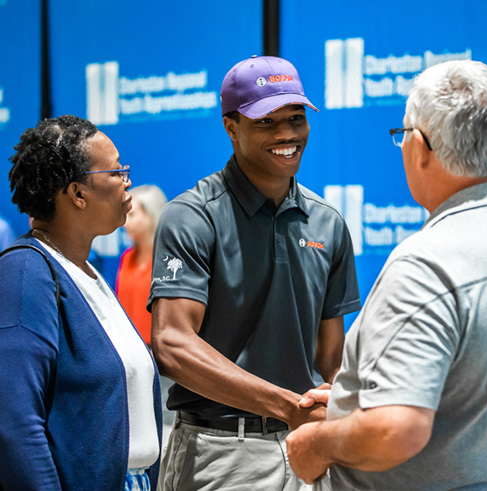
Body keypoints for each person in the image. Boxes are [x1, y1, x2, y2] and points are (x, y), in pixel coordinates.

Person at [286, 60, 487, 490]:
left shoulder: (426, 265)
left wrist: (320, 442)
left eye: (404, 136)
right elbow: (480, 400)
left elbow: (396, 430)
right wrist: (362, 401)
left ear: (420, 147)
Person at [150, 55, 361, 490]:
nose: (287, 134)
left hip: (308, 446)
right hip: (219, 451)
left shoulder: (328, 223)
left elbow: (330, 360)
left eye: (296, 118)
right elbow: (172, 345)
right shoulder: (192, 216)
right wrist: (286, 405)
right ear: (231, 127)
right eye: (266, 121)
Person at [0, 115, 162, 491]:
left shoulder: (84, 269)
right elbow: (14, 420)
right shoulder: (25, 272)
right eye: (117, 172)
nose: (128, 182)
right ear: (77, 193)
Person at [117, 184, 168, 347]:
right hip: (129, 350)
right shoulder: (127, 257)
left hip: (160, 354)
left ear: (151, 215)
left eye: (132, 215)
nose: (125, 223)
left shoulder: (169, 260)